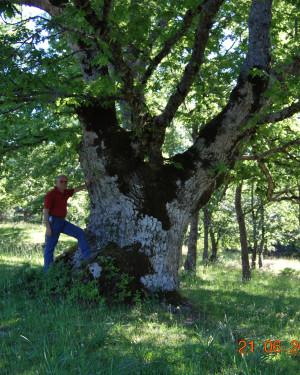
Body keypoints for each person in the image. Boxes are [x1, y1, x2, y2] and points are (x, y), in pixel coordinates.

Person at [43, 174, 92, 271]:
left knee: (79, 232)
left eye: (65, 182)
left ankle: (88, 256)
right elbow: (45, 211)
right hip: (54, 223)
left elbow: (76, 189)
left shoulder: (65, 192)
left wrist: (87, 184)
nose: (63, 183)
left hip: (62, 222)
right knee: (50, 247)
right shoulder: (51, 194)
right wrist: (48, 227)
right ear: (57, 182)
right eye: (61, 181)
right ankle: (47, 271)